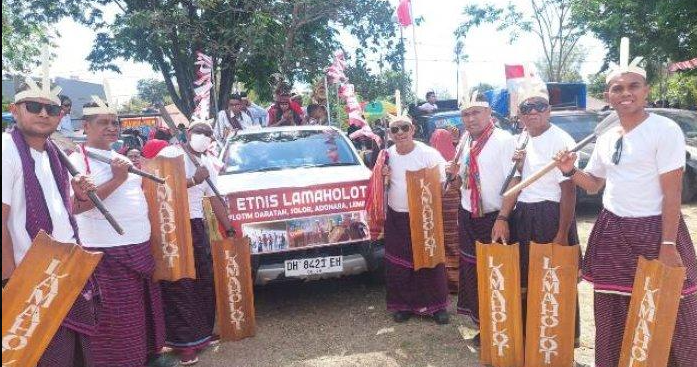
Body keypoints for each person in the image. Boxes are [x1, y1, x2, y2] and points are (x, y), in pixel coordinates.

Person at [555, 40, 697, 366]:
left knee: (669, 304)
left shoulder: (665, 130)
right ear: (609, 96)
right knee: (613, 306)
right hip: (612, 229)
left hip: (655, 229)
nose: (625, 93)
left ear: (646, 90)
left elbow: (673, 193)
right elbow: (593, 185)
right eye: (617, 88)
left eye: (633, 86)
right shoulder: (606, 138)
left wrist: (668, 242)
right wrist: (570, 171)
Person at [69, 100, 175, 367]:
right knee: (118, 318)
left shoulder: (124, 158)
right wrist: (116, 179)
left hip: (139, 247)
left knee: (143, 312)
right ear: (85, 126)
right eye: (102, 122)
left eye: (114, 122)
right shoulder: (75, 161)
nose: (111, 127)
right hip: (107, 253)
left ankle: (148, 356)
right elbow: (76, 208)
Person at [2, 77, 97, 366]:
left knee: (70, 354)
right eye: (33, 106)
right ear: (14, 110)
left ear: (61, 116)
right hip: (29, 280)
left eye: (52, 110)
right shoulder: (6, 149)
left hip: (63, 273)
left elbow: (60, 217)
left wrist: (79, 198)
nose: (43, 114)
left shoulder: (52, 153)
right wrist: (9, 283)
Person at [501, 79, 581, 345]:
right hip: (524, 214)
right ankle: (530, 337)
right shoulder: (523, 137)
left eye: (539, 106)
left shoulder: (560, 140)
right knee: (526, 278)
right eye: (527, 107)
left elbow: (569, 192)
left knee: (553, 279)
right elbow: (516, 181)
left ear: (549, 110)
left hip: (550, 216)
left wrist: (562, 233)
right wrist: (503, 216)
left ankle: (559, 343)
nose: (533, 112)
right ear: (520, 114)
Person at [157, 120, 236, 365]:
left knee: (202, 279)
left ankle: (200, 334)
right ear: (188, 133)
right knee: (179, 283)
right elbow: (157, 188)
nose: (204, 136)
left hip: (195, 225)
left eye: (209, 134)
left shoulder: (207, 163)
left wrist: (230, 229)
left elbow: (215, 200)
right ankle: (183, 344)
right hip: (170, 225)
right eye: (200, 132)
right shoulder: (170, 154)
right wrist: (192, 180)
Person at [446, 93, 516, 344]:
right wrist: (453, 175)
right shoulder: (465, 141)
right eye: (466, 113)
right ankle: (485, 326)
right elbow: (461, 183)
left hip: (494, 217)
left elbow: (515, 181)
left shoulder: (504, 140)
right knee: (474, 273)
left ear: (489, 114)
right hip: (468, 215)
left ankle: (502, 327)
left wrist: (504, 218)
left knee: (496, 273)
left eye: (476, 112)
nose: (471, 118)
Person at [382, 115, 450, 324]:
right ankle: (404, 306)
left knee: (429, 260)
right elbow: (378, 184)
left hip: (424, 216)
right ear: (390, 134)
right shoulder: (386, 155)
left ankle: (436, 307)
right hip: (396, 216)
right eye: (395, 130)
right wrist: (381, 174)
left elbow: (441, 184)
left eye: (404, 128)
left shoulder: (428, 154)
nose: (400, 133)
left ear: (413, 129)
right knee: (400, 264)